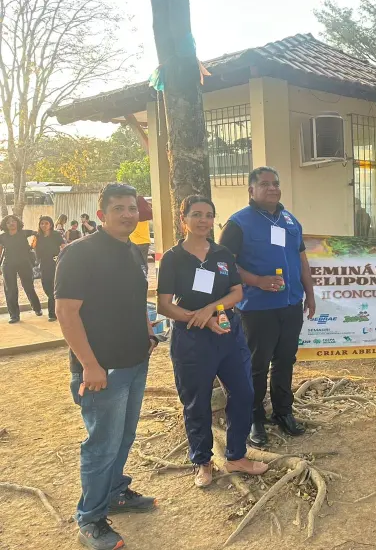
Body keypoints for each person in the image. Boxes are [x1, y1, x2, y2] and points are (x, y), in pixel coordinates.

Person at [55, 183, 158, 550]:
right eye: (119, 208)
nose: (128, 214)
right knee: (101, 445)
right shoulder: (79, 254)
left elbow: (136, 299)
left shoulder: (133, 250)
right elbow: (66, 313)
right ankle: (90, 520)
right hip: (102, 371)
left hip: (134, 361)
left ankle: (115, 492)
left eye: (132, 208)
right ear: (101, 215)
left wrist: (148, 334)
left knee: (124, 437)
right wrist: (89, 365)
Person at [157, 196, 268, 487]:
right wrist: (203, 319)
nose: (203, 220)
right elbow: (164, 305)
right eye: (196, 214)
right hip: (192, 339)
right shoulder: (172, 258)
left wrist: (212, 309)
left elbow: (236, 293)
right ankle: (203, 462)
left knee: (244, 393)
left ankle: (236, 455)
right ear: (184, 219)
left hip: (229, 335)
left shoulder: (223, 254)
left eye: (209, 215)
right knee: (196, 402)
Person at [219, 166, 316, 447]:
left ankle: (283, 412)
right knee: (256, 366)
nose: (272, 188)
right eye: (264, 184)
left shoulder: (289, 221)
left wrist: (309, 294)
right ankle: (254, 418)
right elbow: (226, 264)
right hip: (256, 307)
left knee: (286, 360)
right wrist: (257, 280)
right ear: (251, 190)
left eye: (275, 183)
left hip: (290, 303)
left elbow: (302, 262)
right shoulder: (238, 223)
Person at [0, 215, 43, 324]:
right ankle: (14, 315)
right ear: (5, 225)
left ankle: (37, 308)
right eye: (8, 222)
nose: (11, 223)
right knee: (10, 290)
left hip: (24, 264)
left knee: (28, 287)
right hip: (8, 265)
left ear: (18, 223)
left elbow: (38, 233)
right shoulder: (3, 237)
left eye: (13, 221)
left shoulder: (24, 233)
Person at [35, 216, 65, 322]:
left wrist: (62, 259)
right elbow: (34, 249)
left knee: (54, 287)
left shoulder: (56, 235)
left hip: (55, 263)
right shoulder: (38, 236)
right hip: (44, 264)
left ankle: (52, 313)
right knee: (46, 286)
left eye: (46, 223)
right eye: (42, 223)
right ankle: (56, 307)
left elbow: (63, 247)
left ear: (51, 224)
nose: (44, 225)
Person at [130, 196, 153, 274]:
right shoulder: (145, 215)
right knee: (144, 263)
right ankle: (144, 277)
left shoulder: (133, 215)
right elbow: (150, 207)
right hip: (145, 242)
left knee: (134, 264)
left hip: (134, 242)